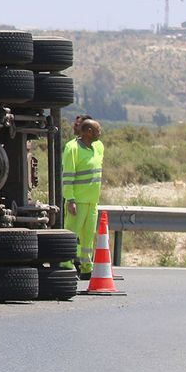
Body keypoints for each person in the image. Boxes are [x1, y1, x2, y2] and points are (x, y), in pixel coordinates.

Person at [62, 116, 105, 277]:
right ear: (88, 132)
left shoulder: (98, 147)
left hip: (92, 202)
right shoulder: (72, 148)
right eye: (97, 130)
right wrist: (70, 199)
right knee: (72, 234)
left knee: (88, 238)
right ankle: (66, 264)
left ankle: (86, 267)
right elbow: (67, 176)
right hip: (78, 201)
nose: (100, 133)